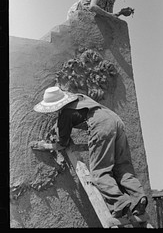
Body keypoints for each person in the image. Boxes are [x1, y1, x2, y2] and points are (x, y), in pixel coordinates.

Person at [31, 86, 149, 226]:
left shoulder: (65, 114)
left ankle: (120, 204)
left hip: (101, 126)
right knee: (122, 167)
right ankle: (138, 197)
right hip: (116, 120)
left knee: (99, 172)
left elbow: (62, 144)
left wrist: (44, 146)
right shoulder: (79, 97)